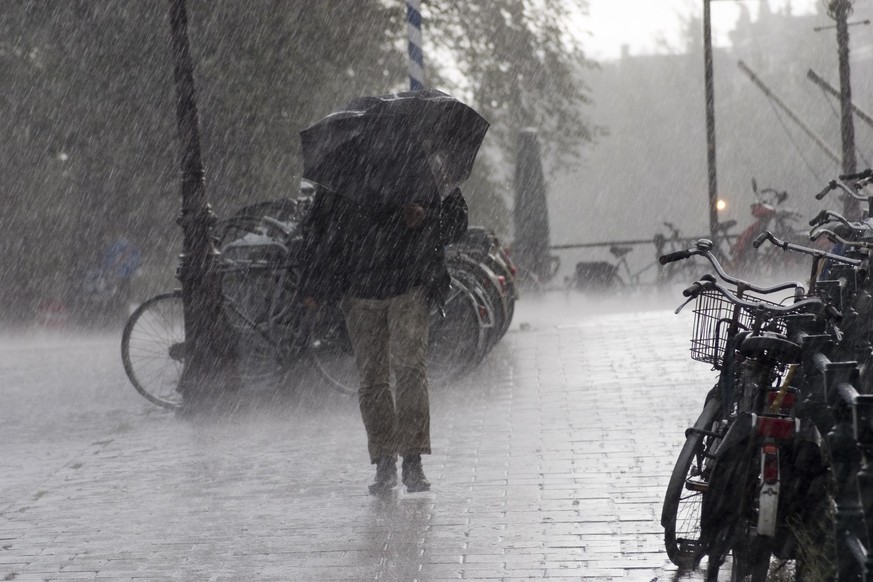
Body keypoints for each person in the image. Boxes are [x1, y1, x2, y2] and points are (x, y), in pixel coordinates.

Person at [298, 175, 468, 495]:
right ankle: (385, 461)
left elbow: (458, 221)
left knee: (409, 370)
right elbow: (318, 229)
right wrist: (313, 283)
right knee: (374, 378)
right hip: (359, 290)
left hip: (409, 284)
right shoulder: (346, 171)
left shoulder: (421, 167)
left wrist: (426, 217)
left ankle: (412, 460)